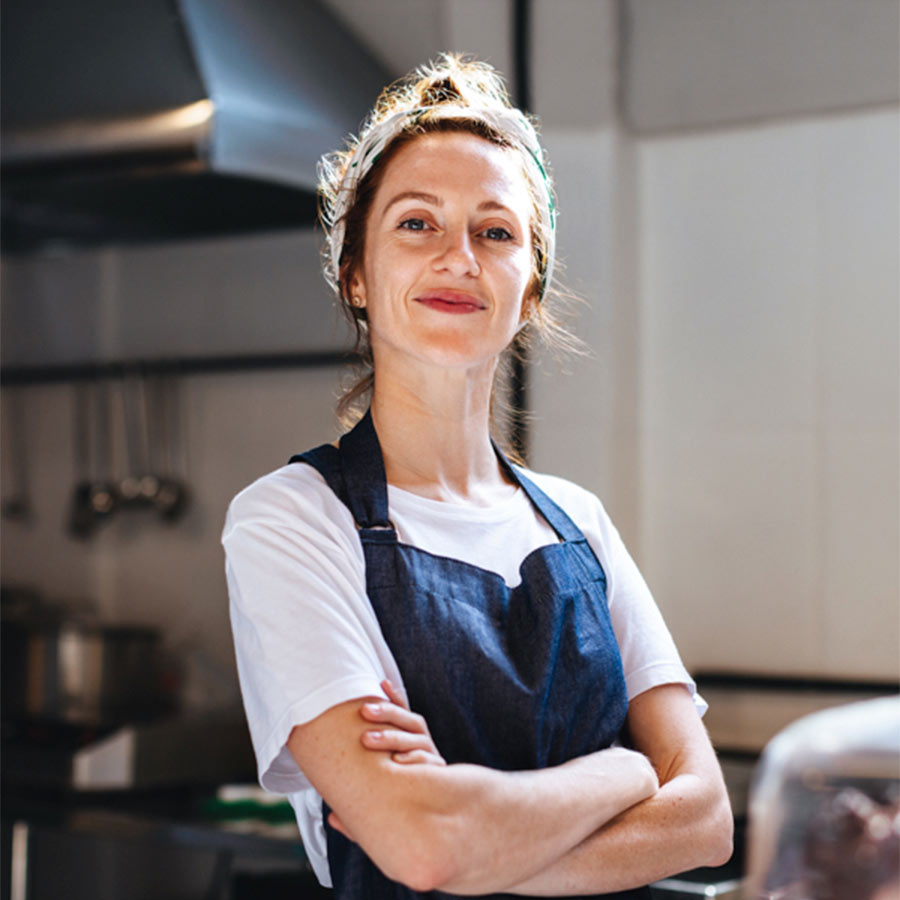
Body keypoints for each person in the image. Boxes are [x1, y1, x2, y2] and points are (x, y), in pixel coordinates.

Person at [223, 53, 733, 899]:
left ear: (528, 289)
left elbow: (708, 818)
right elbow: (424, 845)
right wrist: (622, 775)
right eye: (416, 224)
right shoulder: (292, 520)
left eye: (495, 232)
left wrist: (479, 838)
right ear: (355, 274)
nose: (458, 256)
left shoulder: (579, 523)